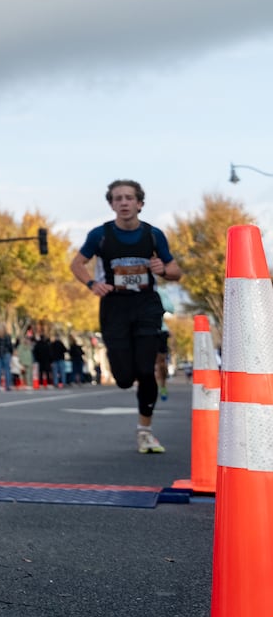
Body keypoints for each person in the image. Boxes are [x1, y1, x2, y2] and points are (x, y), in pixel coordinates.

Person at [70, 178, 181, 454]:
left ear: (140, 203)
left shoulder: (153, 235)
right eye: (117, 198)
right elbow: (76, 263)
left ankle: (145, 431)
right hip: (114, 306)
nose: (123, 202)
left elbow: (176, 271)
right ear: (111, 205)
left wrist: (162, 270)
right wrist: (92, 284)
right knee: (122, 378)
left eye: (129, 198)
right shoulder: (101, 235)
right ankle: (119, 362)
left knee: (146, 371)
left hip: (146, 305)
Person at [0, 325, 16, 391]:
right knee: (7, 370)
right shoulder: (7, 336)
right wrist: (11, 352)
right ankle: (8, 386)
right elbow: (10, 345)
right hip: (6, 353)